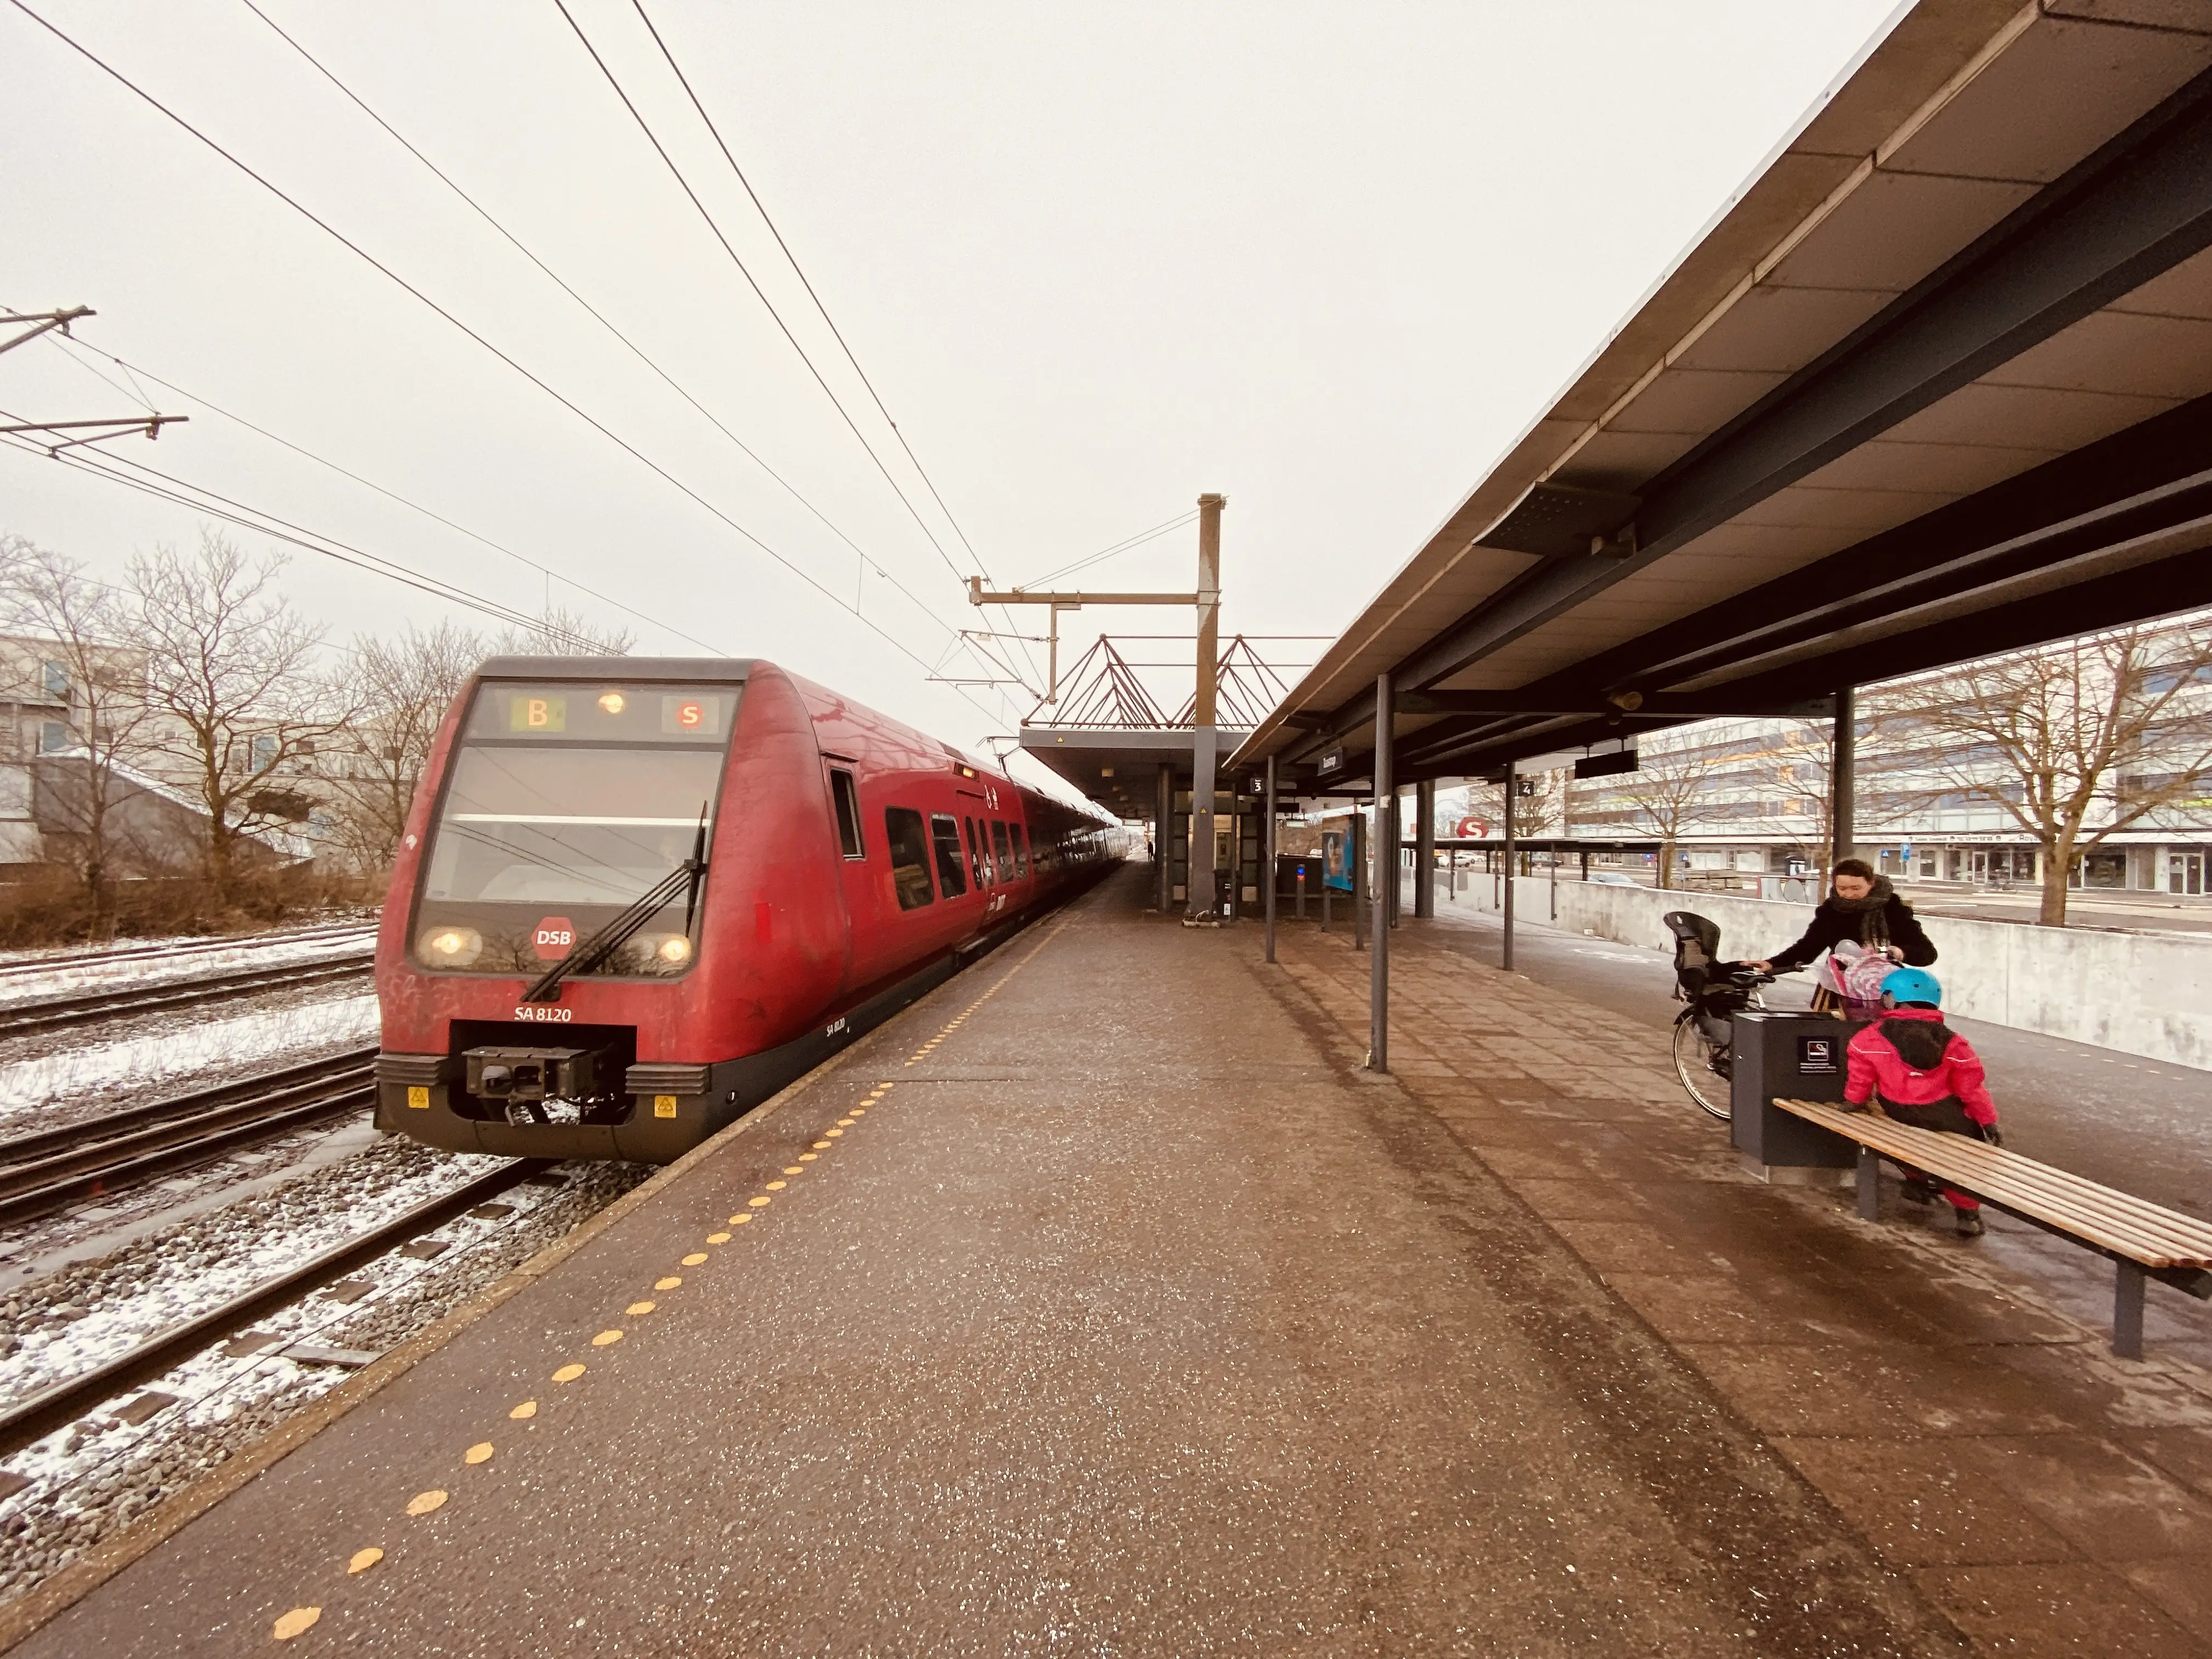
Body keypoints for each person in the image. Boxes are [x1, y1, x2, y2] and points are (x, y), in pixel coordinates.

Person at [1843, 966, 2000, 1237]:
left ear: (1890, 999)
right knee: (1959, 1158)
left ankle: (1917, 1184)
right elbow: (1971, 1088)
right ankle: (1967, 1213)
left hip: (1898, 1113)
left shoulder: (1868, 1038)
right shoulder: (1954, 1042)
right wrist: (1988, 1122)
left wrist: (1852, 1104)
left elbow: (1860, 1081)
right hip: (1946, 1116)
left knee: (1902, 1141)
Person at [1748, 857, 1934, 1013]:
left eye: (1856, 888)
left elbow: (1927, 953)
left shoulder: (1893, 911)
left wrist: (1901, 952)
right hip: (1838, 988)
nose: (1848, 894)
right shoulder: (1830, 911)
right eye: (1842, 888)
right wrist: (1772, 963)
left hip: (1885, 991)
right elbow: (1808, 947)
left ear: (1871, 883)